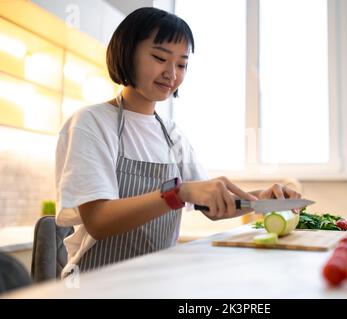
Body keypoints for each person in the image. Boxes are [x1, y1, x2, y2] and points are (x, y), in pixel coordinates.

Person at [55, 7, 301, 277]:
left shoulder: (172, 135)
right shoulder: (91, 123)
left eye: (182, 64)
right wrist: (178, 194)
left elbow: (212, 205)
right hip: (96, 285)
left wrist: (260, 198)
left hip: (157, 280)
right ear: (126, 52)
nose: (172, 73)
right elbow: (99, 221)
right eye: (160, 57)